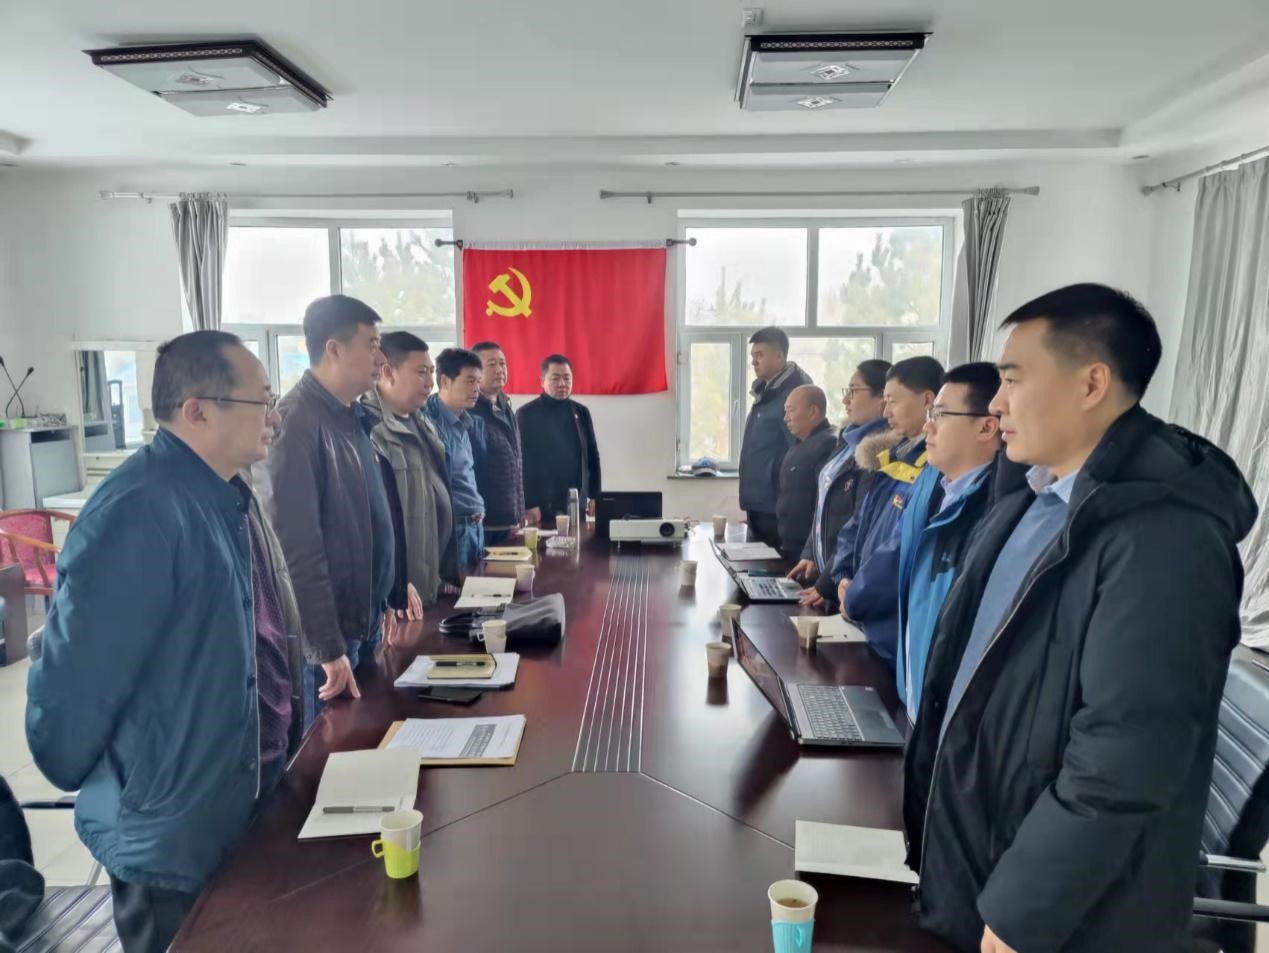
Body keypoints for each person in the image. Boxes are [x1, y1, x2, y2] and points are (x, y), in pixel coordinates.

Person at [903, 285, 1258, 953]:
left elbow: (1125, 756)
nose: (996, 403)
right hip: (980, 866)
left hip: (1064, 919)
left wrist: (1020, 911)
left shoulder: (1166, 537)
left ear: (1091, 384)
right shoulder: (1030, 497)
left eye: (1013, 379)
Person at [26, 331, 305, 953]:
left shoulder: (228, 494)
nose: (274, 416)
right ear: (197, 410)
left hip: (241, 804)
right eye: (261, 401)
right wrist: (134, 786)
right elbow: (74, 693)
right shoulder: (140, 511)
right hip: (174, 834)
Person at [257, 295, 396, 726]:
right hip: (332, 636)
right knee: (332, 747)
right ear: (334, 349)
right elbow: (297, 549)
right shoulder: (295, 423)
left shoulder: (350, 416)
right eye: (372, 346)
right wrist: (326, 647)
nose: (381, 359)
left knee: (367, 737)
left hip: (363, 620)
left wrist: (384, 599)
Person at [891, 362, 1017, 725]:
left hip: (951, 720)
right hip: (913, 700)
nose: (927, 426)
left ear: (987, 427)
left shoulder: (997, 511)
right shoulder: (931, 485)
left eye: (941, 415)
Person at [830, 356, 943, 667]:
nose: (885, 412)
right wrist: (842, 577)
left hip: (891, 632)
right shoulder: (893, 457)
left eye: (893, 401)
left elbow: (897, 551)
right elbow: (856, 525)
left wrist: (855, 597)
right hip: (862, 616)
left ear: (928, 401)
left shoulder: (932, 469)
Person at [360, 331, 456, 607]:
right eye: (421, 372)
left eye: (431, 372)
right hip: (399, 594)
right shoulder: (370, 429)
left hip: (429, 582)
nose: (430, 383)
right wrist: (396, 584)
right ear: (388, 371)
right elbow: (372, 523)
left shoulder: (423, 422)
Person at [788, 359, 891, 609]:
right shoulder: (847, 441)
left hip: (843, 583)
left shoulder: (878, 454)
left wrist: (826, 583)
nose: (845, 400)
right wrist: (811, 554)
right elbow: (823, 505)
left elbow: (856, 525)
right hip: (826, 574)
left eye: (853, 391)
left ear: (882, 398)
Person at [738, 327, 812, 546]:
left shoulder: (795, 393)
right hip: (760, 503)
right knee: (755, 563)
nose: (754, 362)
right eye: (753, 356)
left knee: (773, 564)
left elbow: (800, 450)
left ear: (779, 356)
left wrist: (784, 500)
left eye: (759, 355)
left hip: (776, 505)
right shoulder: (768, 391)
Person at [423, 348, 488, 568]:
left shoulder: (465, 421)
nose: (476, 388)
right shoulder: (430, 422)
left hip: (474, 527)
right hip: (454, 530)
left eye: (478, 381)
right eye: (469, 381)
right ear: (445, 381)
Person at [517, 354, 602, 519]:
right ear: (542, 381)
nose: (562, 383)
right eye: (555, 378)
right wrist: (529, 503)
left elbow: (593, 456)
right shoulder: (526, 414)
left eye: (566, 378)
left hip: (577, 502)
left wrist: (596, 495)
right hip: (541, 506)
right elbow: (521, 463)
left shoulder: (581, 412)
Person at [470, 341, 529, 542]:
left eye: (502, 363)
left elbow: (516, 463)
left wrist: (521, 510)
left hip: (511, 521)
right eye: (491, 364)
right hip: (485, 524)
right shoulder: (471, 411)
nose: (499, 369)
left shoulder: (506, 406)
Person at [774, 385, 837, 561]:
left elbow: (825, 503)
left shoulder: (828, 444)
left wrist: (811, 552)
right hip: (788, 544)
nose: (785, 418)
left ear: (813, 411)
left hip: (809, 551)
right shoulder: (798, 445)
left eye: (791, 410)